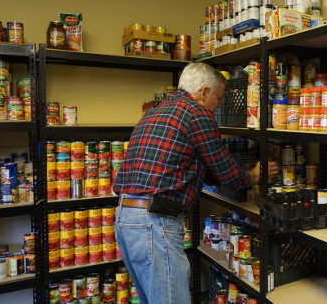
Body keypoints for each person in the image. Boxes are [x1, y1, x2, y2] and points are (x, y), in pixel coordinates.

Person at [114, 62, 278, 304]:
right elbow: (230, 177)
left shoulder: (156, 111)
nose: (218, 105)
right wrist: (254, 174)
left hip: (126, 218)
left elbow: (198, 163)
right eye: (219, 98)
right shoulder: (196, 113)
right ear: (203, 92)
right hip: (155, 222)